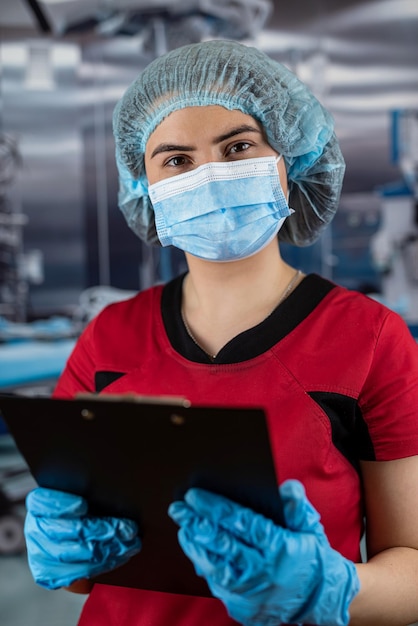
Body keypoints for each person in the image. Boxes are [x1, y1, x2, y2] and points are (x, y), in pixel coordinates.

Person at [24, 40, 418, 626]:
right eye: (176, 160)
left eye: (238, 147)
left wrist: (327, 589)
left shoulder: (371, 340)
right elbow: (83, 576)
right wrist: (62, 546)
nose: (209, 176)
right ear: (146, 189)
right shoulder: (109, 338)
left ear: (291, 162)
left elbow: (409, 567)